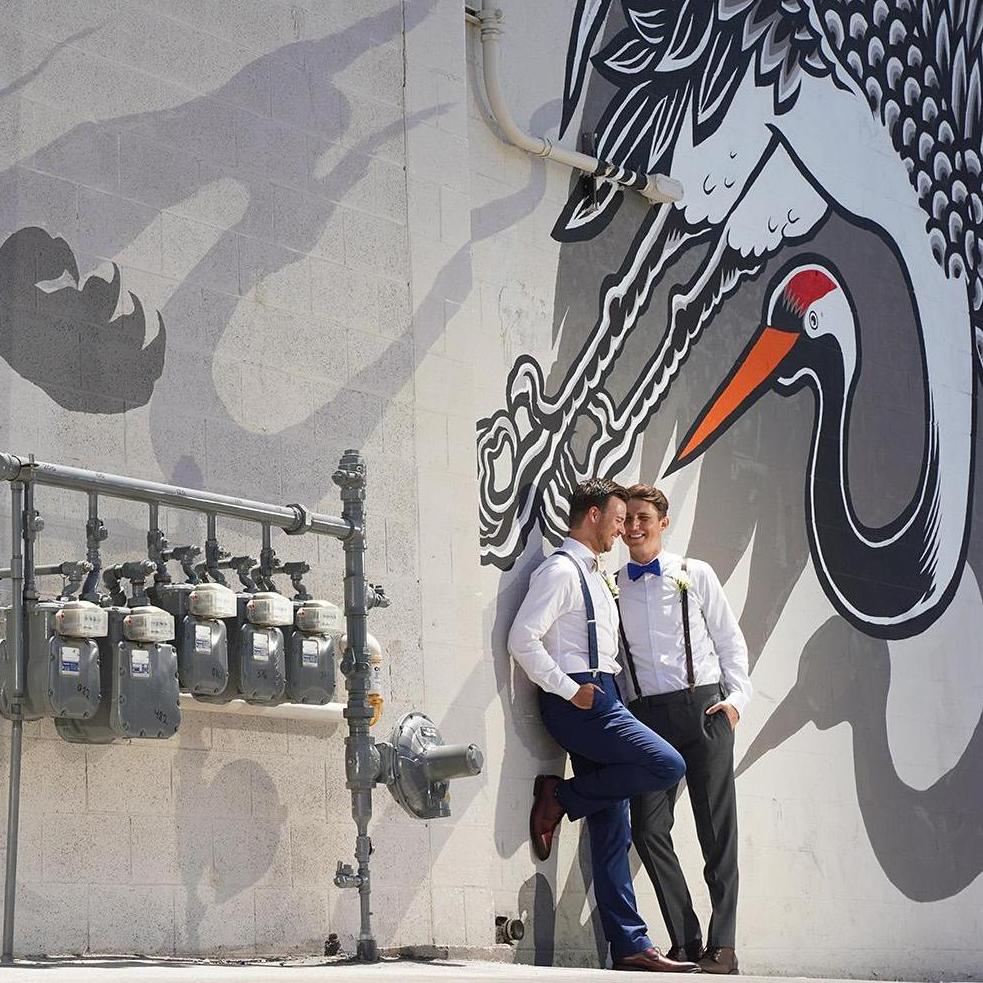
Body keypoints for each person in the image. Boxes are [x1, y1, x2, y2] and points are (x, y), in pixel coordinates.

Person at [508, 478, 700, 973]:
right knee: (666, 763)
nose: (623, 528)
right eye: (617, 518)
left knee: (613, 826)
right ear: (593, 515)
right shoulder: (560, 571)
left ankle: (629, 945)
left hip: (604, 695)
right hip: (579, 700)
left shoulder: (596, 574)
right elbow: (522, 639)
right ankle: (562, 798)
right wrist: (571, 690)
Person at [617, 484, 753, 975]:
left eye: (643, 518)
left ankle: (725, 946)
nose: (633, 527)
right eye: (627, 519)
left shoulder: (695, 574)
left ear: (662, 522)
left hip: (704, 711)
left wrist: (735, 702)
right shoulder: (615, 584)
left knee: (716, 832)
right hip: (647, 719)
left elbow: (730, 642)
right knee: (649, 827)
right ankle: (686, 941)